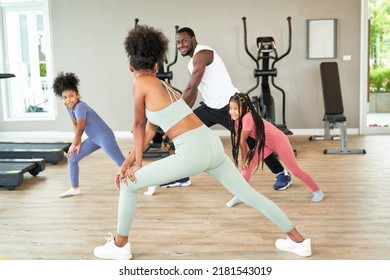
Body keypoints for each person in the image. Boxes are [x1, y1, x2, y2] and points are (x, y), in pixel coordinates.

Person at [93, 25, 312, 260]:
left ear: (130, 66)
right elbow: (149, 130)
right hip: (211, 146)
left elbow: (138, 125)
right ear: (157, 64)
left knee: (128, 185)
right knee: (250, 195)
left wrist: (137, 164)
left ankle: (119, 246)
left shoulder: (140, 82)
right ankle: (299, 241)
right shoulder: (165, 86)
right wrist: (127, 163)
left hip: (192, 152)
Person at [146, 27, 291, 194]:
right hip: (211, 107)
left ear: (194, 39)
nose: (181, 45)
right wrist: (180, 120)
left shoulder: (203, 53)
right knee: (183, 134)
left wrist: (174, 116)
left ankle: (282, 174)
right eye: (178, 42)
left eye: (184, 40)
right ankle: (183, 176)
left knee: (253, 141)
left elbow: (191, 88)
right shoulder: (190, 64)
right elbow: (194, 93)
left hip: (231, 105)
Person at [225, 93, 324, 207]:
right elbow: (242, 141)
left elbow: (242, 141)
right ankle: (240, 195)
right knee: (247, 167)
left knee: (295, 170)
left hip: (280, 142)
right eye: (231, 108)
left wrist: (244, 159)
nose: (232, 111)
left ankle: (317, 191)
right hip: (264, 143)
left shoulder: (248, 117)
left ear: (246, 108)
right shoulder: (237, 120)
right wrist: (246, 160)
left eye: (235, 108)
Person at [52, 72, 125, 198]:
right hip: (93, 139)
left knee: (123, 163)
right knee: (72, 158)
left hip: (104, 137)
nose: (68, 99)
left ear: (77, 94)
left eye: (71, 96)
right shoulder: (70, 108)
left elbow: (81, 127)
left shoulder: (80, 106)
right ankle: (75, 188)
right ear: (61, 99)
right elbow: (75, 126)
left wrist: (73, 144)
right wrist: (78, 143)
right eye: (65, 97)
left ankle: (149, 180)